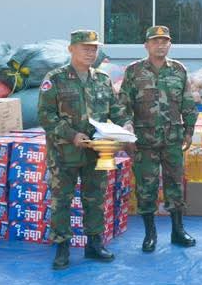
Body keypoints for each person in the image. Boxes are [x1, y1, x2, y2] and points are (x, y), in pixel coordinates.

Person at [37, 29, 132, 271]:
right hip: (64, 152)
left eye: (94, 49)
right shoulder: (55, 79)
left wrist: (125, 124)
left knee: (95, 198)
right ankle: (62, 247)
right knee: (62, 200)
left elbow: (116, 110)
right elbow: (46, 115)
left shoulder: (102, 79)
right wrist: (71, 135)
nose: (90, 52)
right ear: (71, 49)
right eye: (85, 48)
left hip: (96, 151)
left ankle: (94, 244)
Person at [119, 25, 197, 252]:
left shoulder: (179, 70)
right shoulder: (134, 71)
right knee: (146, 187)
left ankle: (178, 231)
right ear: (146, 45)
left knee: (175, 185)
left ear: (169, 44)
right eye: (155, 41)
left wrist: (189, 130)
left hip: (173, 139)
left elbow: (188, 102)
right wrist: (126, 132)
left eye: (165, 41)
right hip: (143, 141)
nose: (160, 45)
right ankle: (150, 234)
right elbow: (123, 105)